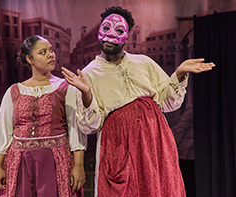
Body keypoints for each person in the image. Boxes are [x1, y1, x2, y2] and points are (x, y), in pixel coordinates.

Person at [61, 6, 215, 197]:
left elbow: (168, 103)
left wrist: (179, 74)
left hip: (155, 141)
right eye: (106, 28)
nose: (111, 35)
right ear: (99, 31)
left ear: (126, 36)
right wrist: (86, 93)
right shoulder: (88, 74)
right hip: (119, 146)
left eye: (118, 31)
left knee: (159, 187)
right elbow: (89, 126)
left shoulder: (144, 62)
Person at [0, 35, 86, 197]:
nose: (51, 55)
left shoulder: (64, 88)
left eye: (51, 51)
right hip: (21, 163)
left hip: (55, 162)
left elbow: (75, 129)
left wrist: (78, 166)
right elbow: (3, 132)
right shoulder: (14, 91)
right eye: (43, 52)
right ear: (30, 59)